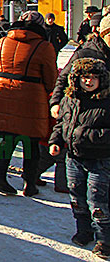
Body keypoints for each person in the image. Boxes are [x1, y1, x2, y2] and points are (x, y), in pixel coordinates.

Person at [0, 10, 57, 196]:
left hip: (4, 92)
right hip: (32, 97)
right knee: (31, 141)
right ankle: (30, 183)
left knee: (7, 139)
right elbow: (51, 79)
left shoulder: (2, 42)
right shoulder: (44, 46)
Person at [49, 58, 110, 258]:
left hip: (99, 159)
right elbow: (61, 123)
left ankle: (104, 239)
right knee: (76, 196)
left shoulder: (106, 101)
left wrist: (86, 135)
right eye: (84, 77)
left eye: (94, 78)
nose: (89, 82)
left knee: (97, 200)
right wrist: (56, 140)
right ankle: (84, 230)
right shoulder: (71, 99)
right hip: (73, 157)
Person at [51, 14, 110, 119]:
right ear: (103, 34)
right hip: (87, 111)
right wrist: (55, 102)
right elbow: (64, 78)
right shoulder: (85, 53)